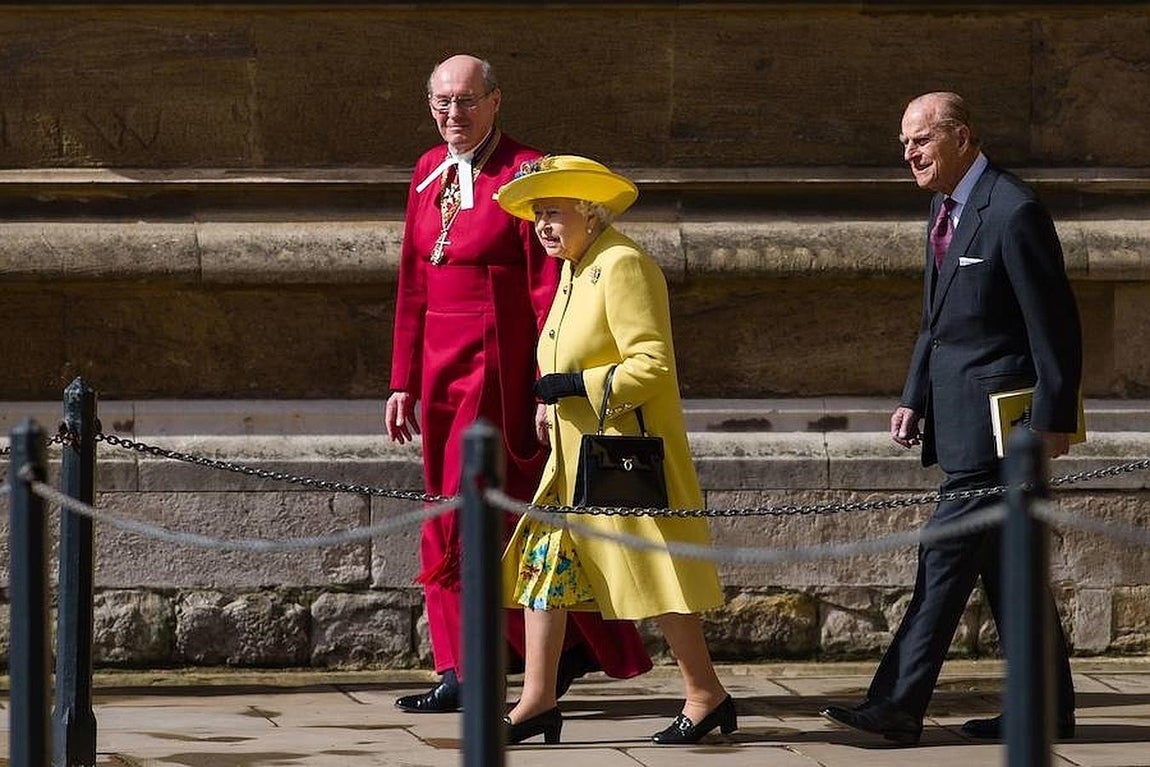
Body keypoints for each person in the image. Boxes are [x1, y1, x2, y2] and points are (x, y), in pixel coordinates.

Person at [385, 55, 651, 714]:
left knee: (482, 514)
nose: (454, 113)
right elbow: (414, 280)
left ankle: (491, 665)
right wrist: (401, 381)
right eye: (442, 102)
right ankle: (508, 655)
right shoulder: (426, 169)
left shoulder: (528, 172)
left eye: (467, 100)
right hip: (438, 368)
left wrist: (543, 386)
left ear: (495, 101)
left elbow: (546, 288)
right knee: (446, 509)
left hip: (495, 367)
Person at [821, 92, 1081, 745]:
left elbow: (1055, 326)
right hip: (957, 417)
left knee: (942, 556)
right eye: (904, 144)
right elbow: (936, 323)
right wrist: (915, 396)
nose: (909, 154)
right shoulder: (944, 208)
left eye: (920, 140)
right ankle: (1047, 708)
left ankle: (896, 703)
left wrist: (1052, 420)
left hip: (1002, 430)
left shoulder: (1013, 209)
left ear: (961, 137)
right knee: (1009, 569)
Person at [492, 155, 736, 745]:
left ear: (589, 212)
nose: (542, 226)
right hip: (571, 460)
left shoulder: (623, 264)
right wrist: (550, 403)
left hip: (620, 458)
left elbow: (651, 365)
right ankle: (537, 700)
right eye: (537, 215)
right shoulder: (577, 267)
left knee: (657, 576)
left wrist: (577, 386)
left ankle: (706, 694)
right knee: (544, 566)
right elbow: (567, 350)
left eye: (553, 213)